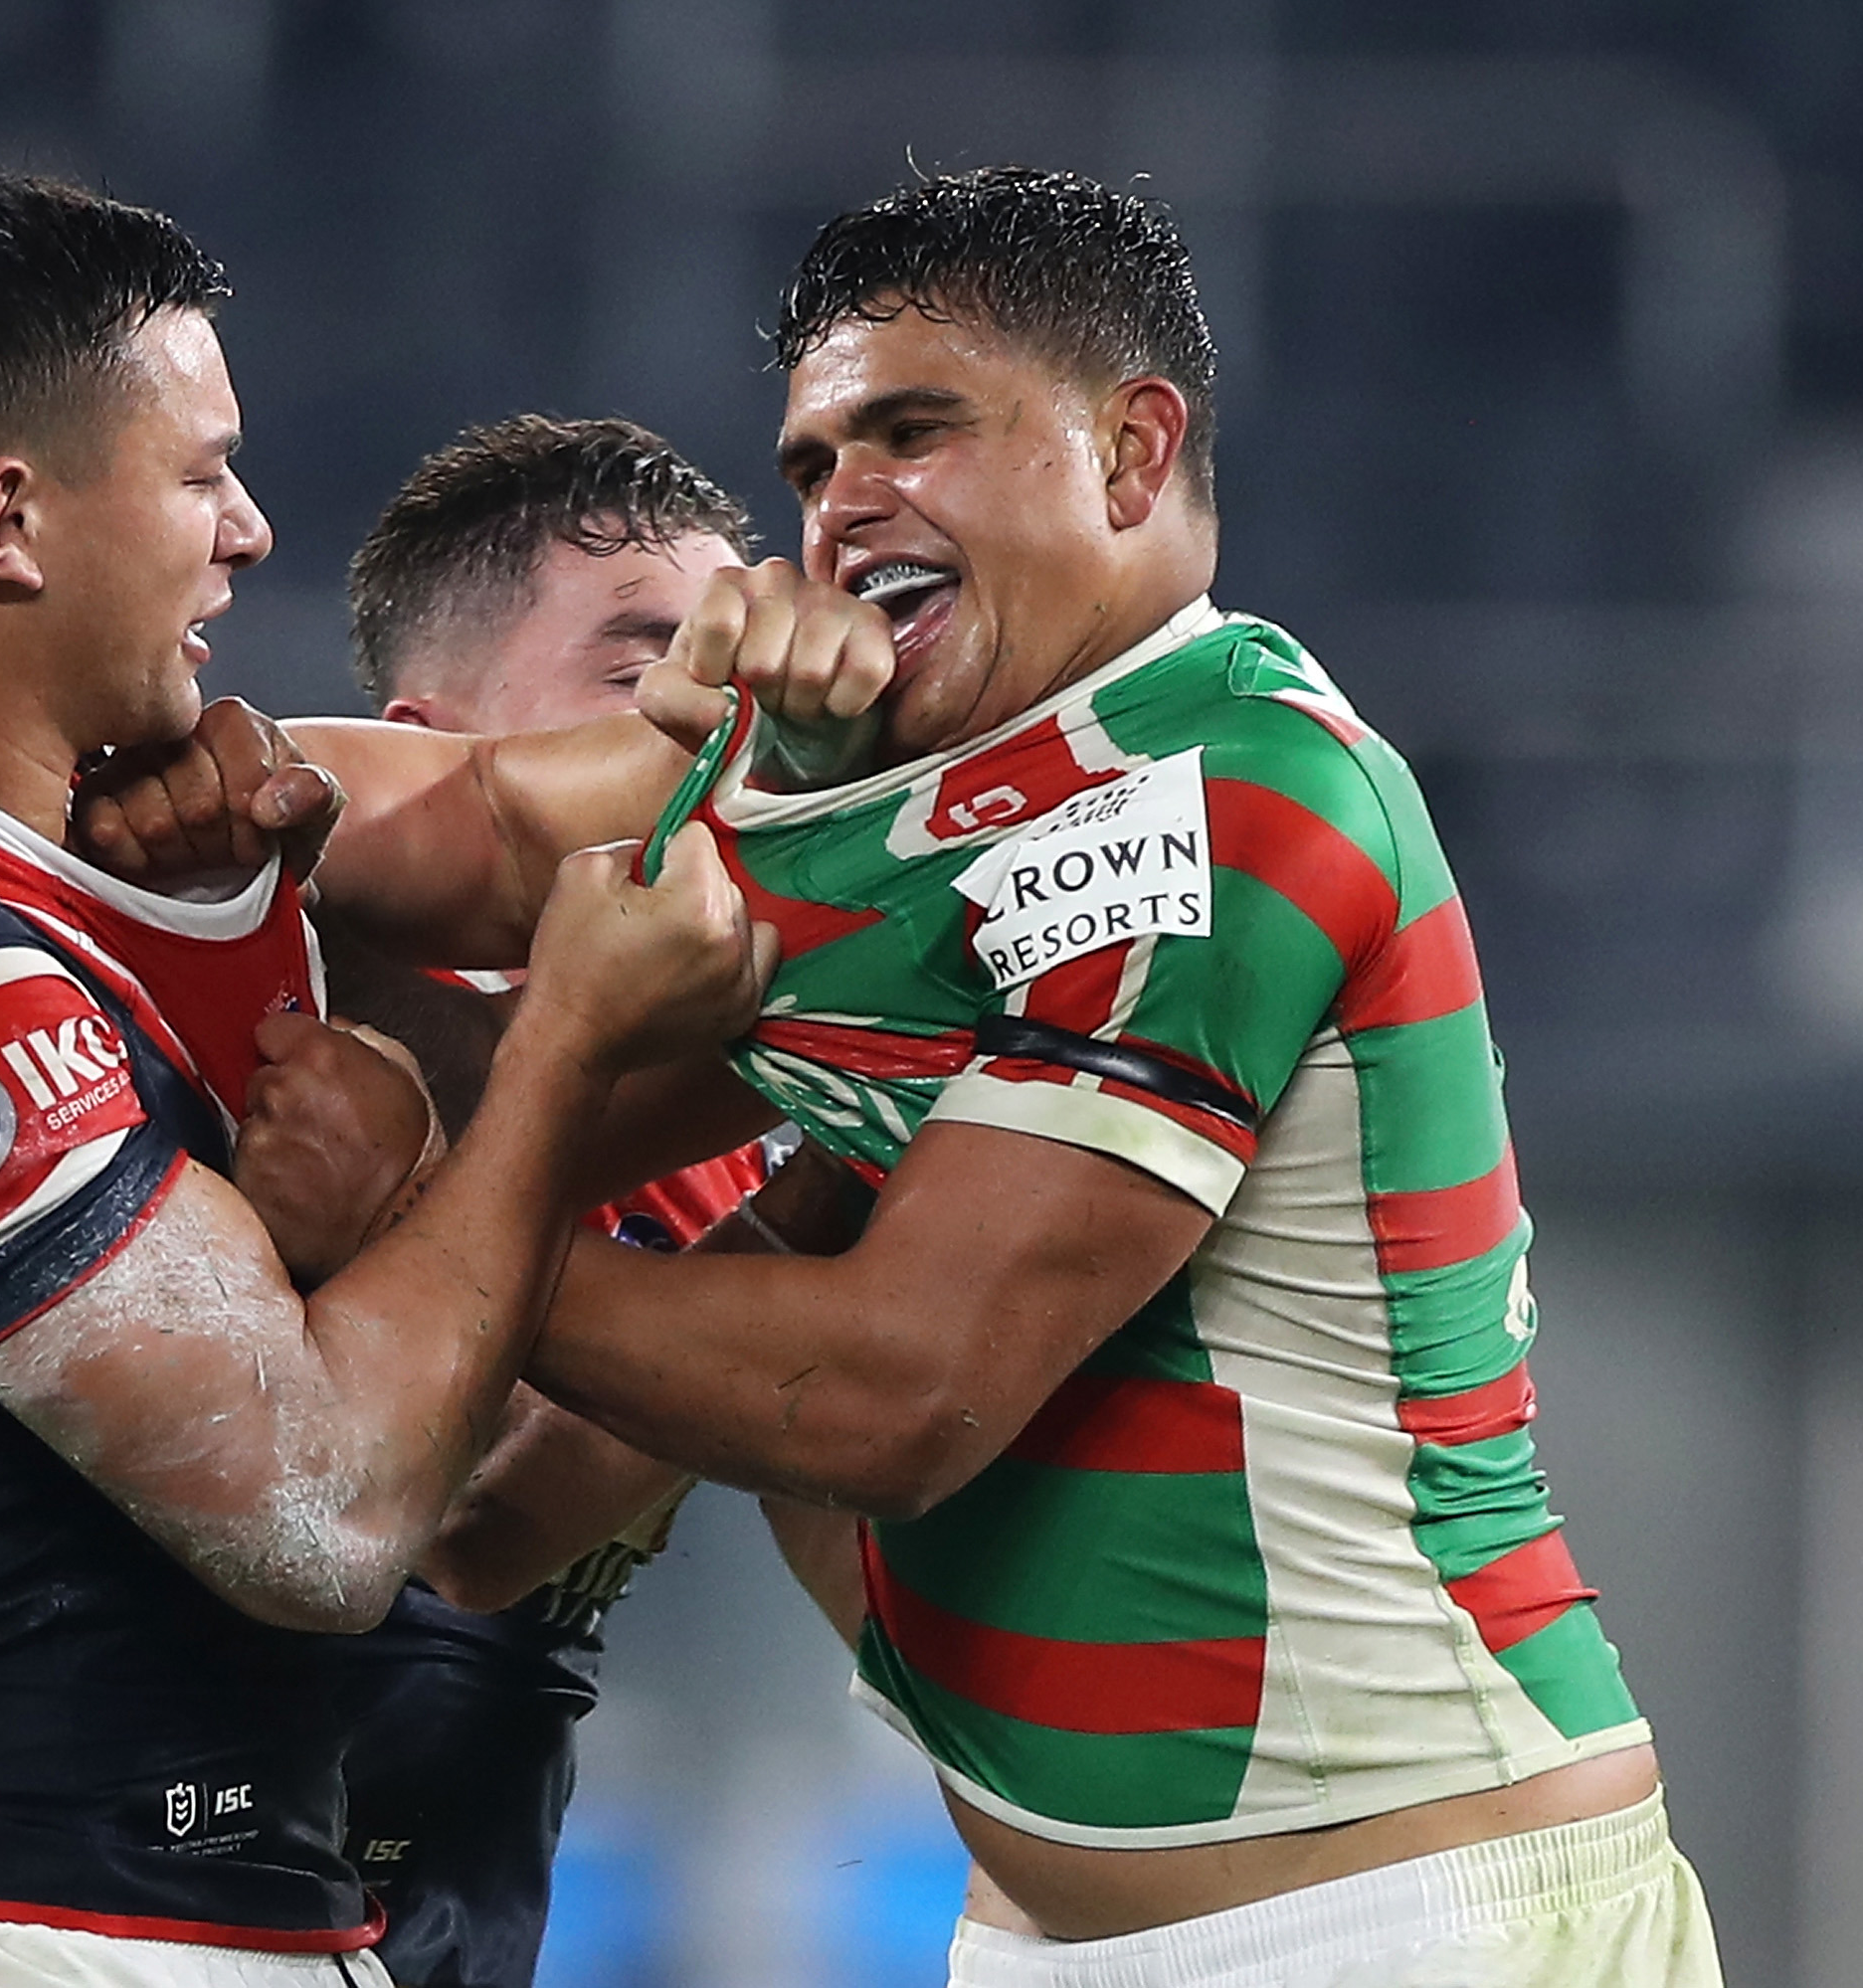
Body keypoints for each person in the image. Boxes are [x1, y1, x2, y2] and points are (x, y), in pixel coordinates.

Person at [83, 169, 1723, 1988]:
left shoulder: (1221, 797)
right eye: (813, 464)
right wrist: (200, 784)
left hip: (1399, 1924)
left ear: (1129, 449)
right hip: (1046, 1929)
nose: (849, 506)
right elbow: (472, 823)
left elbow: (898, 1400)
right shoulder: (910, 782)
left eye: (915, 431)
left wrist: (408, 1210)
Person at [0, 164, 768, 1988]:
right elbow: (327, 1525)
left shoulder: (64, 839)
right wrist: (554, 1054)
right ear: (10, 527)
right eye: (199, 474)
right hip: (47, 1933)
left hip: (222, 1923)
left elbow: (504, 813)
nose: (249, 533)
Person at [327, 413, 784, 1988]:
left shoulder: (728, 1110)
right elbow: (433, 1530)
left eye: (733, 673)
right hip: (161, 1915)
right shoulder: (271, 1048)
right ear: (429, 747)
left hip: (453, 1928)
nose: (710, 730)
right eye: (638, 669)